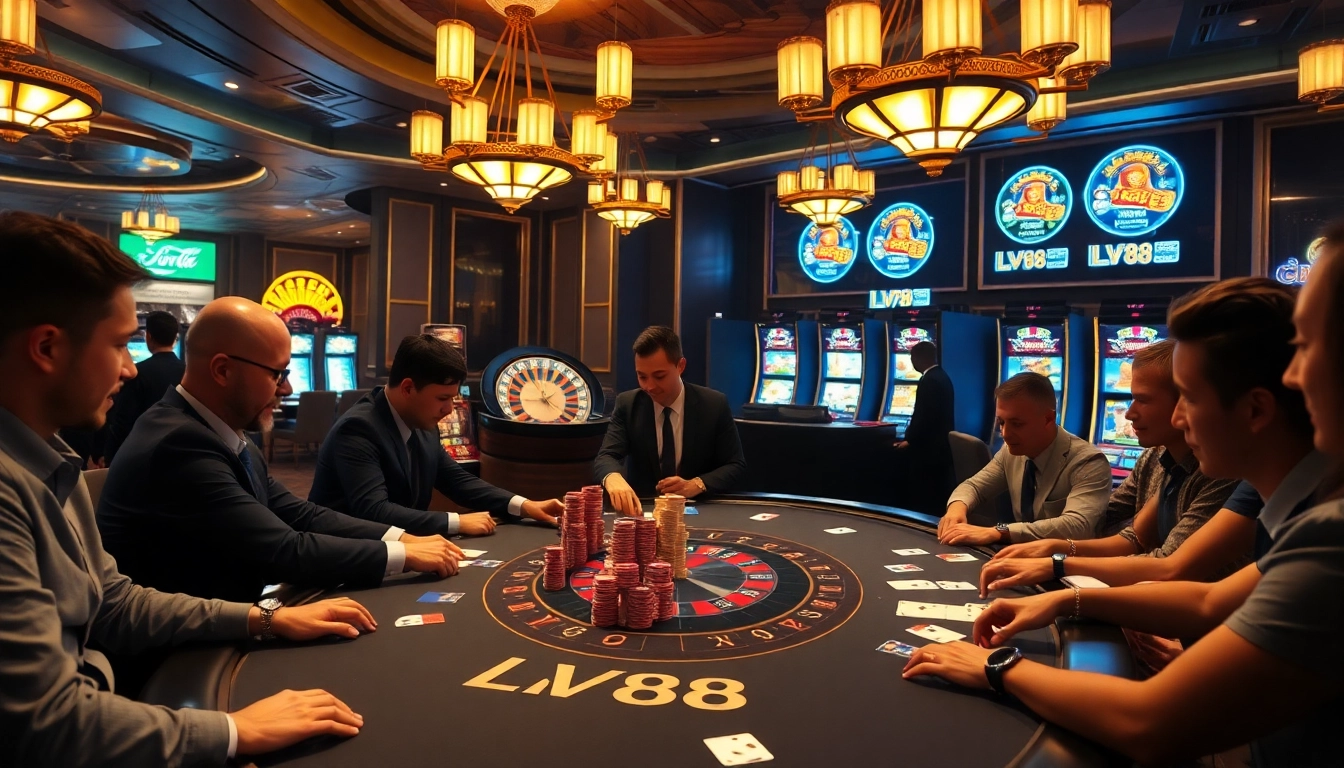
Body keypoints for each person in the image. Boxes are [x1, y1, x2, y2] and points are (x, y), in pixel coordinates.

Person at [899, 266, 1344, 766]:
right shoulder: (1299, 509)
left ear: (1257, 410)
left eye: (1188, 398)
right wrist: (1063, 597)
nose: (1176, 418)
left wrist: (997, 666)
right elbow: (1207, 599)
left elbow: (1149, 721)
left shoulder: (1330, 533)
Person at [0, 211, 377, 767]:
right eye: (120, 345)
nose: (131, 370)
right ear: (48, 348)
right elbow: (45, 724)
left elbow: (115, 602)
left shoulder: (54, 461)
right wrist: (232, 730)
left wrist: (266, 618)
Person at [98, 297, 461, 603]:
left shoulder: (223, 434)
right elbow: (284, 551)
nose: (286, 389)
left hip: (233, 613)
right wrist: (403, 555)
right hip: (185, 651)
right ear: (222, 370)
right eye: (277, 374)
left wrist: (401, 537)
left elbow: (303, 514)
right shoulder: (178, 445)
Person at [978, 278, 1322, 597]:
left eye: (1190, 398)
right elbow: (1138, 542)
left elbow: (1178, 575)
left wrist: (1060, 569)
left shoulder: (1317, 521)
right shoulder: (1168, 459)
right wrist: (1054, 551)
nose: (1178, 418)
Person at [977, 340, 1242, 595]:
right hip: (1159, 596)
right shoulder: (1157, 456)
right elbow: (1116, 528)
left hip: (1191, 612)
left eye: (1143, 400)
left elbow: (1168, 566)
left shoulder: (1223, 472)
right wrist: (1054, 546)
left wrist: (1058, 563)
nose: (1129, 413)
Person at [310, 334, 563, 535]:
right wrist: (455, 522)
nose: (449, 409)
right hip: (340, 567)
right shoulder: (358, 429)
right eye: (442, 398)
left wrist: (525, 505)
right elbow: (374, 511)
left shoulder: (422, 424)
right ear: (408, 388)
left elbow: (457, 481)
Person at [937, 372, 1111, 546]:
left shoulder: (1089, 462)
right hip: (1023, 554)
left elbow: (1077, 526)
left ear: (1048, 419)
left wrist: (999, 531)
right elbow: (974, 486)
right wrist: (956, 509)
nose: (1005, 434)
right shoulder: (1009, 452)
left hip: (1068, 560)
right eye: (1001, 422)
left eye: (1017, 424)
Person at [594, 326, 746, 516]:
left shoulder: (713, 404)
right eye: (642, 376)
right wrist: (612, 477)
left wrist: (696, 484)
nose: (649, 386)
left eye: (659, 376)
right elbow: (606, 456)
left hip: (698, 511)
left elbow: (735, 465)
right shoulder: (628, 404)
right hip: (645, 511)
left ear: (680, 366)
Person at [105, 310, 185, 462]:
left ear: (148, 336)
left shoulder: (136, 373)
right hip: (180, 455)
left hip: (140, 457)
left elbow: (123, 422)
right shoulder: (188, 372)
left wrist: (110, 457)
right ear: (175, 338)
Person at [895, 341, 956, 516]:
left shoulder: (929, 380)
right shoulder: (941, 376)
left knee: (924, 497)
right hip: (940, 449)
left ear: (918, 358)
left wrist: (909, 440)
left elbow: (924, 416)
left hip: (929, 452)